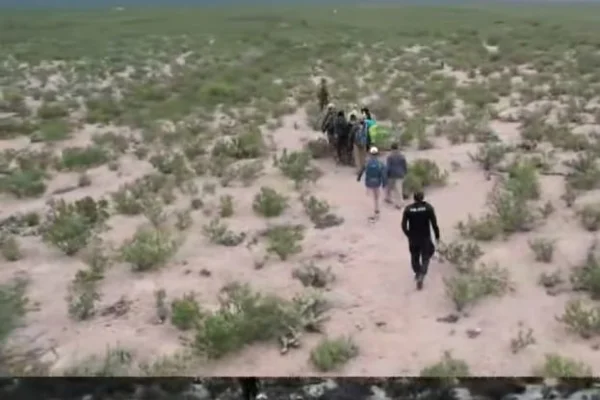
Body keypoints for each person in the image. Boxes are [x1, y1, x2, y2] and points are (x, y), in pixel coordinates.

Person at [401, 191, 440, 290]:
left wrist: (408, 234)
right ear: (423, 198)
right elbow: (434, 224)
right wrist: (437, 236)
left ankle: (418, 272)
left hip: (413, 237)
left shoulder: (408, 209)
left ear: (414, 198)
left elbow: (403, 225)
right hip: (425, 237)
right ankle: (422, 273)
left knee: (414, 256)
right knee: (426, 256)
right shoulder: (428, 208)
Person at [357, 147, 387, 221]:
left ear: (370, 154)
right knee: (376, 196)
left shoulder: (367, 163)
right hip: (377, 182)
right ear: (377, 154)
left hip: (369, 182)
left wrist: (359, 178)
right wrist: (384, 183)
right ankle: (376, 209)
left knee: (370, 196)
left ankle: (372, 212)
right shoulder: (380, 163)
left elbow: (361, 170)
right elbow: (383, 174)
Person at [385, 143, 408, 209]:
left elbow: (388, 167)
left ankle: (395, 202)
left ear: (391, 149)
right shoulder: (402, 156)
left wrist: (386, 174)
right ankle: (400, 202)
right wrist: (405, 172)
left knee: (393, 189)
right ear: (398, 148)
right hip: (400, 174)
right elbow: (405, 166)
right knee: (399, 189)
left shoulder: (390, 157)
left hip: (392, 175)